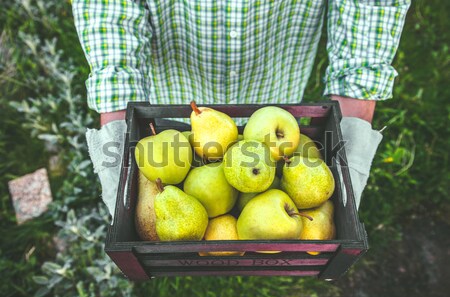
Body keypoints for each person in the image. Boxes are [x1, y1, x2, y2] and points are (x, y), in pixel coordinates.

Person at [72, 0, 411, 218]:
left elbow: (371, 9)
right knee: (173, 157)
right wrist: (118, 119)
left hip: (276, 97)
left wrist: (354, 115)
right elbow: (108, 12)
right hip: (172, 99)